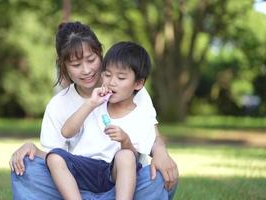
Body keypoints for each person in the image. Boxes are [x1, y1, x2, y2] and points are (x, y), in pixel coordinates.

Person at [10, 21, 178, 199]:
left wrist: (161, 153)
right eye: (75, 65)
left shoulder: (132, 91)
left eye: (91, 60)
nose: (86, 70)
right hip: (76, 187)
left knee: (158, 176)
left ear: (100, 54)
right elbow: (55, 158)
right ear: (63, 66)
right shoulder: (59, 104)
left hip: (123, 185)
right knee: (25, 168)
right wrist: (33, 149)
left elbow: (153, 138)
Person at [46, 41, 157, 200]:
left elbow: (134, 156)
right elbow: (66, 132)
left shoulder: (140, 114)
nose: (112, 82)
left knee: (125, 156)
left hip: (113, 173)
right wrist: (90, 103)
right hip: (84, 167)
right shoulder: (96, 102)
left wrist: (125, 140)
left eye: (121, 77)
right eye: (107, 74)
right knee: (54, 157)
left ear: (138, 83)